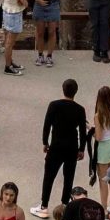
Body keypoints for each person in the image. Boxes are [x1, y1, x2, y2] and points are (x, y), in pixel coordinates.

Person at [41, 79, 88, 209]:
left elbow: (47, 125)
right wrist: (82, 149)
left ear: (63, 89)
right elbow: (83, 131)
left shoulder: (54, 105)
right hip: (71, 146)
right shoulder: (80, 109)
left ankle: (44, 205)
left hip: (56, 145)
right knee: (68, 177)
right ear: (76, 92)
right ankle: (65, 204)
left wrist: (45, 142)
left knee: (49, 176)